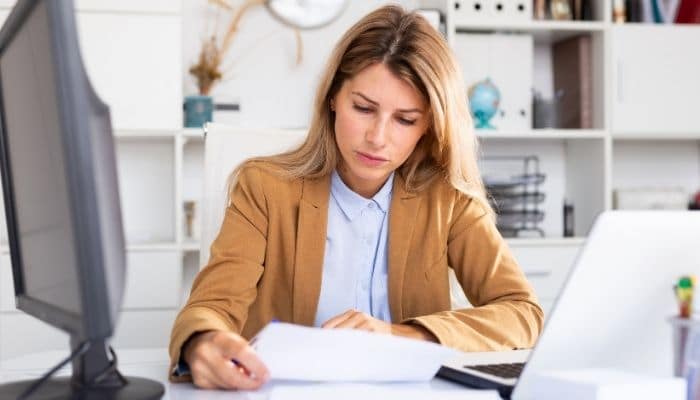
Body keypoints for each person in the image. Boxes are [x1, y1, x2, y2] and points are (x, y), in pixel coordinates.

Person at [169, 4, 544, 391]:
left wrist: (402, 335)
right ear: (333, 98)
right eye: (363, 108)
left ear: (429, 125)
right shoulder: (264, 187)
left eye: (405, 119)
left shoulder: (448, 200)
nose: (378, 137)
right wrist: (203, 343)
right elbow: (211, 308)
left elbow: (523, 313)